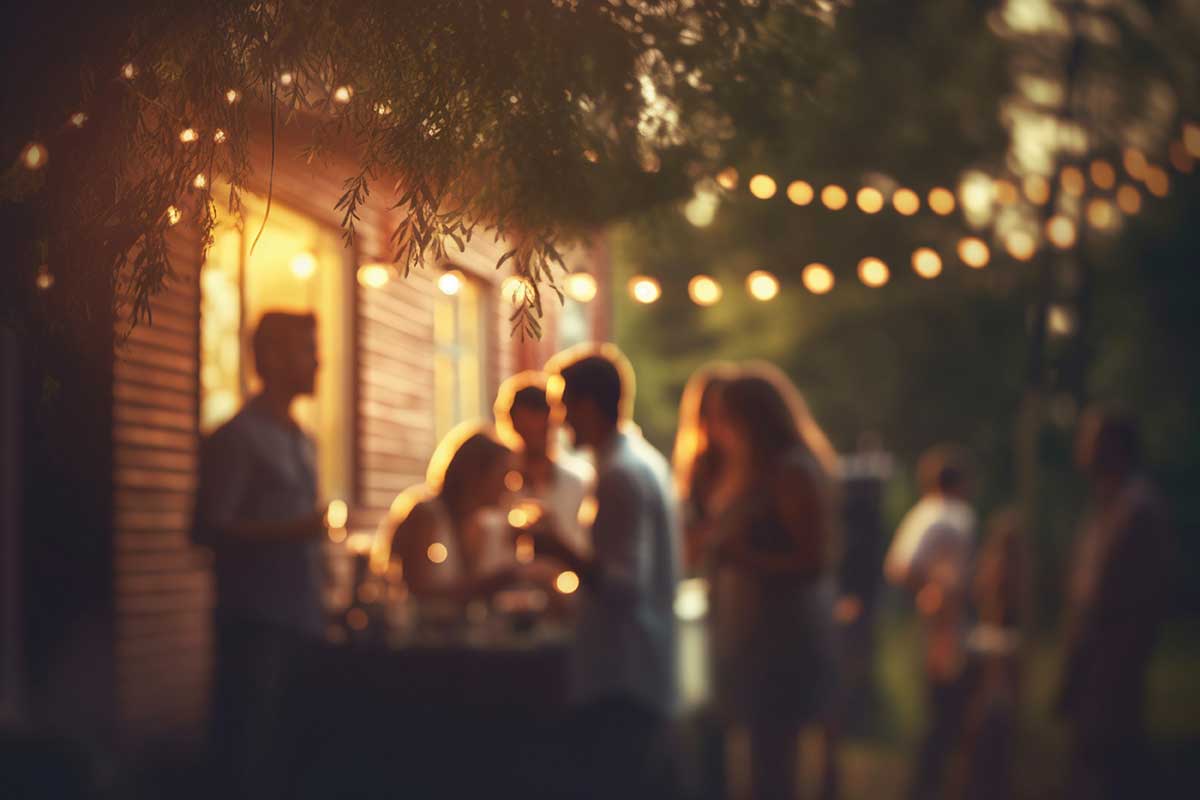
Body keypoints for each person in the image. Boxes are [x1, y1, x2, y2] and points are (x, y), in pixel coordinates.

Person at [531, 349, 680, 800]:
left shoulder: (620, 475)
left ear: (588, 407)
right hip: (637, 667)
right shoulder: (638, 463)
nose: (559, 421)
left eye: (564, 407)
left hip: (622, 672)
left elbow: (623, 586)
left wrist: (560, 550)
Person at [192, 311, 329, 800]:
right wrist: (298, 530)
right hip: (256, 624)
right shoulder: (237, 437)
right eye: (307, 351)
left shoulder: (303, 440)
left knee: (290, 755)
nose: (320, 362)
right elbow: (209, 529)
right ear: (271, 358)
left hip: (303, 620)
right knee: (246, 756)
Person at [703, 363, 840, 800]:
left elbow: (814, 560)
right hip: (749, 631)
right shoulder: (747, 468)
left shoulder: (792, 471)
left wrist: (744, 557)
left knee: (773, 761)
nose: (719, 427)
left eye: (728, 416)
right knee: (753, 757)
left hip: (781, 636)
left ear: (753, 418)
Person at [1057, 408, 1171, 800]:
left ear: (1115, 447)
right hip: (1091, 654)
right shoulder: (1106, 504)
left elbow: (1140, 594)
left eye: (1092, 438)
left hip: (1114, 658)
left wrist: (1114, 657)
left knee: (1115, 761)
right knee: (1092, 761)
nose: (1082, 447)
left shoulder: (1138, 509)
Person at [884, 443, 977, 800]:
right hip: (946, 623)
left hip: (931, 622)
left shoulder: (922, 512)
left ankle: (932, 783)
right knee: (946, 710)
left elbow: (897, 567)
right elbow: (907, 568)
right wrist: (937, 592)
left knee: (939, 707)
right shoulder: (955, 514)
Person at [388, 425, 522, 619]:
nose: (509, 486)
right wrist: (493, 583)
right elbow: (417, 592)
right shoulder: (426, 517)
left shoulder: (486, 527)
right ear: (475, 475)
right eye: (504, 475)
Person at [961, 507, 1030, 800]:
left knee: (996, 719)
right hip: (994, 642)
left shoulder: (1008, 567)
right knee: (987, 720)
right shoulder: (998, 564)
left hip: (1001, 643)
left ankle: (990, 782)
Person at [494, 372, 594, 556]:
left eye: (540, 428)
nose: (533, 437)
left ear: (553, 423)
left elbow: (584, 546)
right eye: (525, 429)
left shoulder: (577, 481)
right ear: (512, 426)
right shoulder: (499, 484)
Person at [672, 364, 736, 572]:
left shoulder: (752, 465)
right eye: (712, 414)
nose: (719, 424)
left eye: (725, 414)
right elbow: (689, 552)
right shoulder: (699, 468)